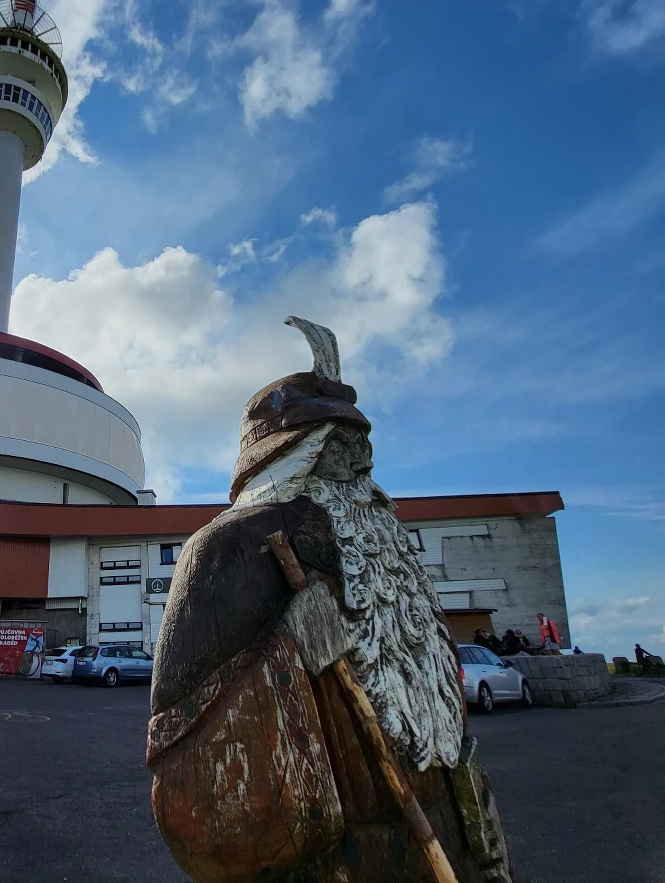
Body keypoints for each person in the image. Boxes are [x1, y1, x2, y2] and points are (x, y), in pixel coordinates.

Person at [148, 317, 512, 883]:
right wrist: (291, 649)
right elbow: (188, 761)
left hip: (450, 838)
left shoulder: (388, 546)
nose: (357, 464)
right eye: (333, 445)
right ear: (291, 454)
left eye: (359, 445)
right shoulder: (229, 546)